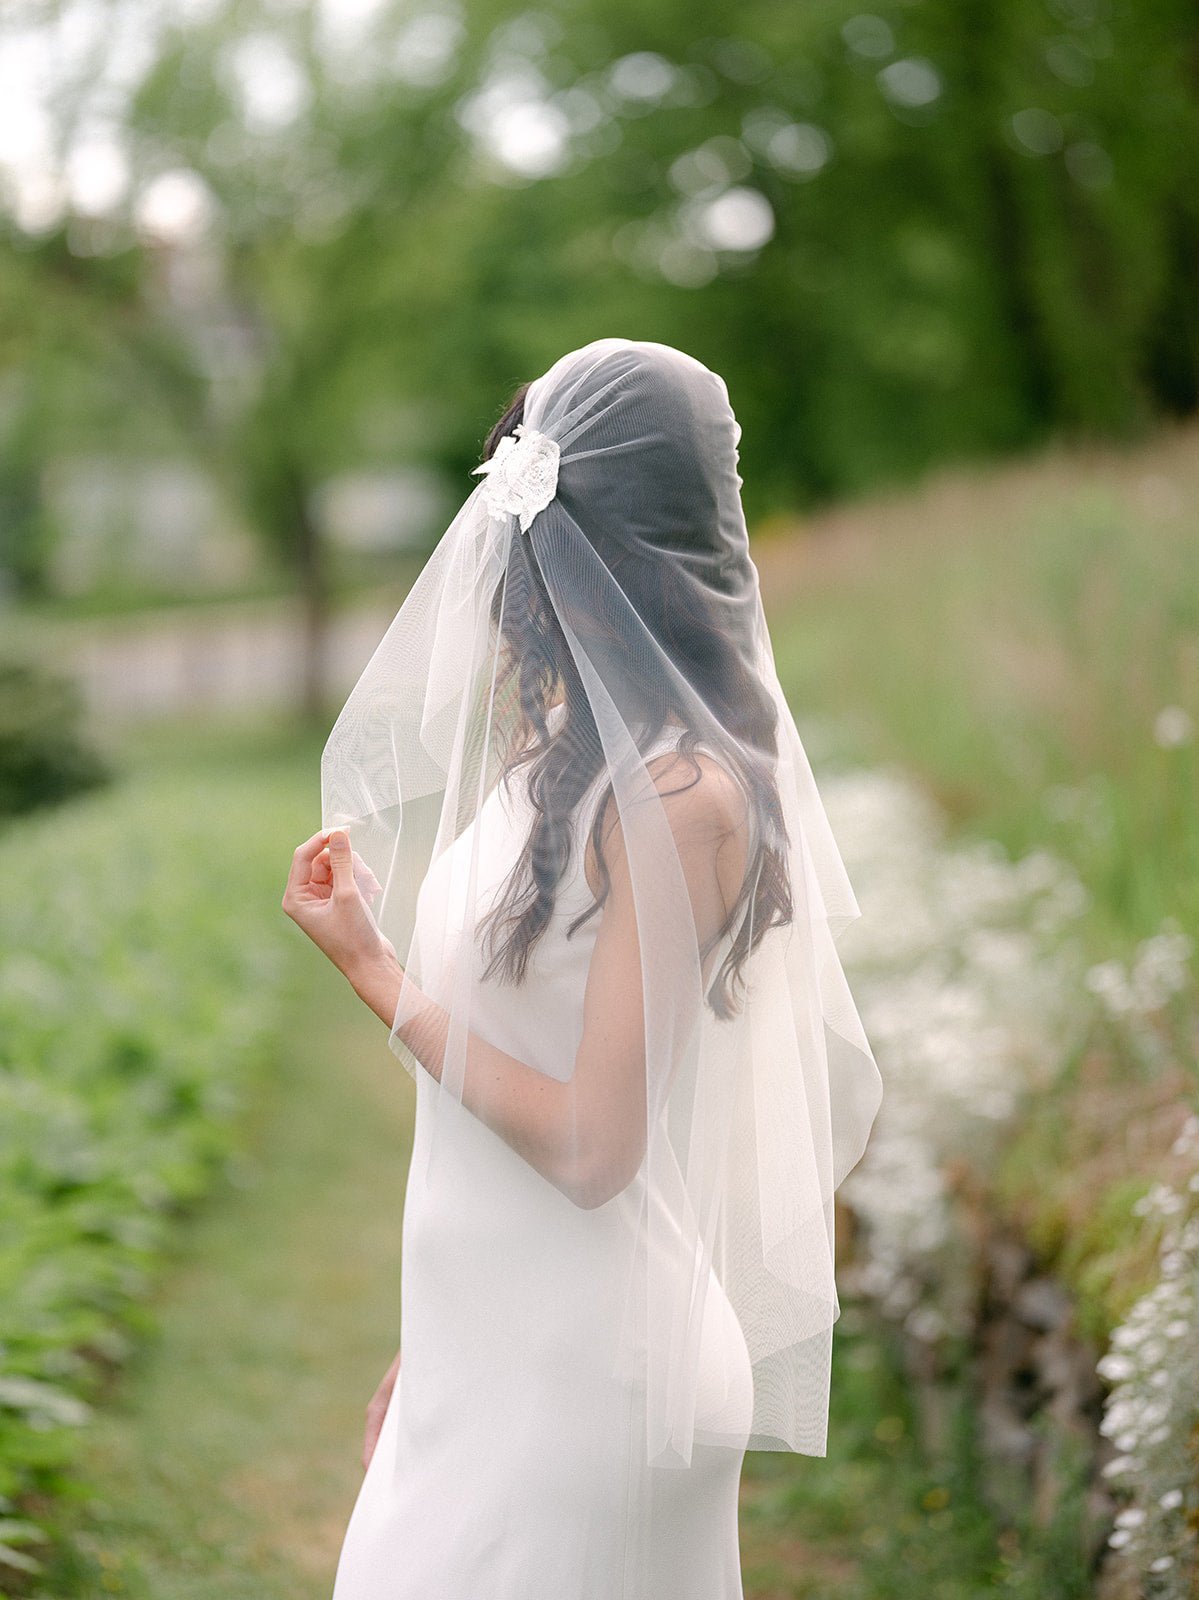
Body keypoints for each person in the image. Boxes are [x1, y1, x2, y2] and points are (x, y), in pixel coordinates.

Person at [282, 337, 882, 1599]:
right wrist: (433, 1345)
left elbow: (590, 1145)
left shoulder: (681, 793)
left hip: (599, 1382)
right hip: (486, 1352)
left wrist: (373, 972)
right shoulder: (560, 745)